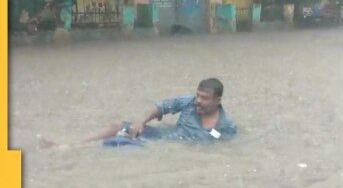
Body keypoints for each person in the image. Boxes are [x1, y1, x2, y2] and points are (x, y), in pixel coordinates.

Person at [38, 78, 237, 148]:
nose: (199, 101)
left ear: (217, 101)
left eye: (204, 98)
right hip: (163, 135)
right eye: (198, 95)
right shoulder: (188, 103)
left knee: (119, 146)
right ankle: (70, 145)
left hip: (168, 147)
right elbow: (161, 107)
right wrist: (141, 122)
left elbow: (221, 147)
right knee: (119, 127)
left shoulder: (223, 127)